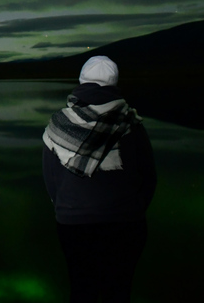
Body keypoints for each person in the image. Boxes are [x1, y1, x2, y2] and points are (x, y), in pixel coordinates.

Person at [42, 55, 156, 303]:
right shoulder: (130, 123)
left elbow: (51, 180)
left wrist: (67, 209)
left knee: (81, 290)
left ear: (81, 82)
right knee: (119, 291)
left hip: (73, 225)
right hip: (125, 223)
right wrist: (131, 210)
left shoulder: (58, 124)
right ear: (114, 85)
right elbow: (148, 178)